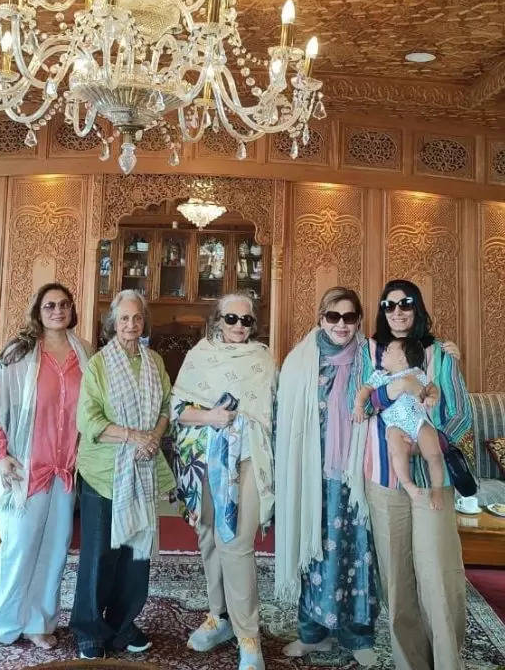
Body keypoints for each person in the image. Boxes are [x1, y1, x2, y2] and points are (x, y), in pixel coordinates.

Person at [0, 282, 94, 649]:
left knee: (55, 549)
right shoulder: (18, 353)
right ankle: (0, 624)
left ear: (72, 309)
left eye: (63, 305)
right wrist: (0, 455)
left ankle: (38, 623)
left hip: (65, 470)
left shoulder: (86, 354)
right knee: (17, 548)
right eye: (49, 306)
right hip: (24, 469)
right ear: (38, 312)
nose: (57, 311)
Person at [361, 279, 469, 669]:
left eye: (405, 304)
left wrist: (427, 440)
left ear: (417, 307)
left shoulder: (440, 354)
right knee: (397, 584)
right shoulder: (369, 352)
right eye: (389, 306)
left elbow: (460, 415)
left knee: (438, 579)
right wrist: (396, 390)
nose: (398, 312)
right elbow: (360, 403)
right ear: (382, 311)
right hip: (385, 482)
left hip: (432, 482)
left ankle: (447, 663)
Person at [274, 287, 379, 666]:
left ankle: (358, 636)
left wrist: (444, 349)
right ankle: (311, 633)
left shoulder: (371, 357)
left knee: (357, 555)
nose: (341, 325)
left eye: (349, 318)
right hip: (311, 477)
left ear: (358, 321)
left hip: (356, 480)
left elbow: (414, 361)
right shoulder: (301, 360)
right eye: (333, 317)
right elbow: (282, 419)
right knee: (312, 552)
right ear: (321, 318)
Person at [171, 293, 275, 670]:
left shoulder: (263, 359)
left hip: (247, 459)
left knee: (235, 541)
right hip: (205, 461)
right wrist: (211, 416)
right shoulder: (199, 355)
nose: (238, 326)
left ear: (254, 324)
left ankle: (250, 637)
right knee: (209, 535)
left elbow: (273, 409)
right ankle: (221, 617)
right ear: (217, 320)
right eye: (231, 318)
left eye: (246, 320)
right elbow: (177, 410)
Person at [69, 290, 175, 660]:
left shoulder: (155, 361)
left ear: (144, 322)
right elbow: (89, 420)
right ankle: (88, 629)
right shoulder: (98, 365)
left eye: (137, 318)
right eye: (124, 319)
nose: (131, 325)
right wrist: (134, 437)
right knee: (101, 555)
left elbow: (167, 405)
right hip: (104, 473)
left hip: (142, 469)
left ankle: (122, 624)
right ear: (113, 323)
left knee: (135, 554)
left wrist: (155, 437)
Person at [353, 337, 442, 509]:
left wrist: (432, 396)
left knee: (435, 454)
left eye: (388, 350)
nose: (383, 353)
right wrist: (358, 406)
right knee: (397, 451)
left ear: (402, 358)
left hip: (418, 421)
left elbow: (432, 387)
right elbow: (365, 390)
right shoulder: (380, 376)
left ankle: (437, 489)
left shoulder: (417, 373)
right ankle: (408, 484)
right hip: (396, 426)